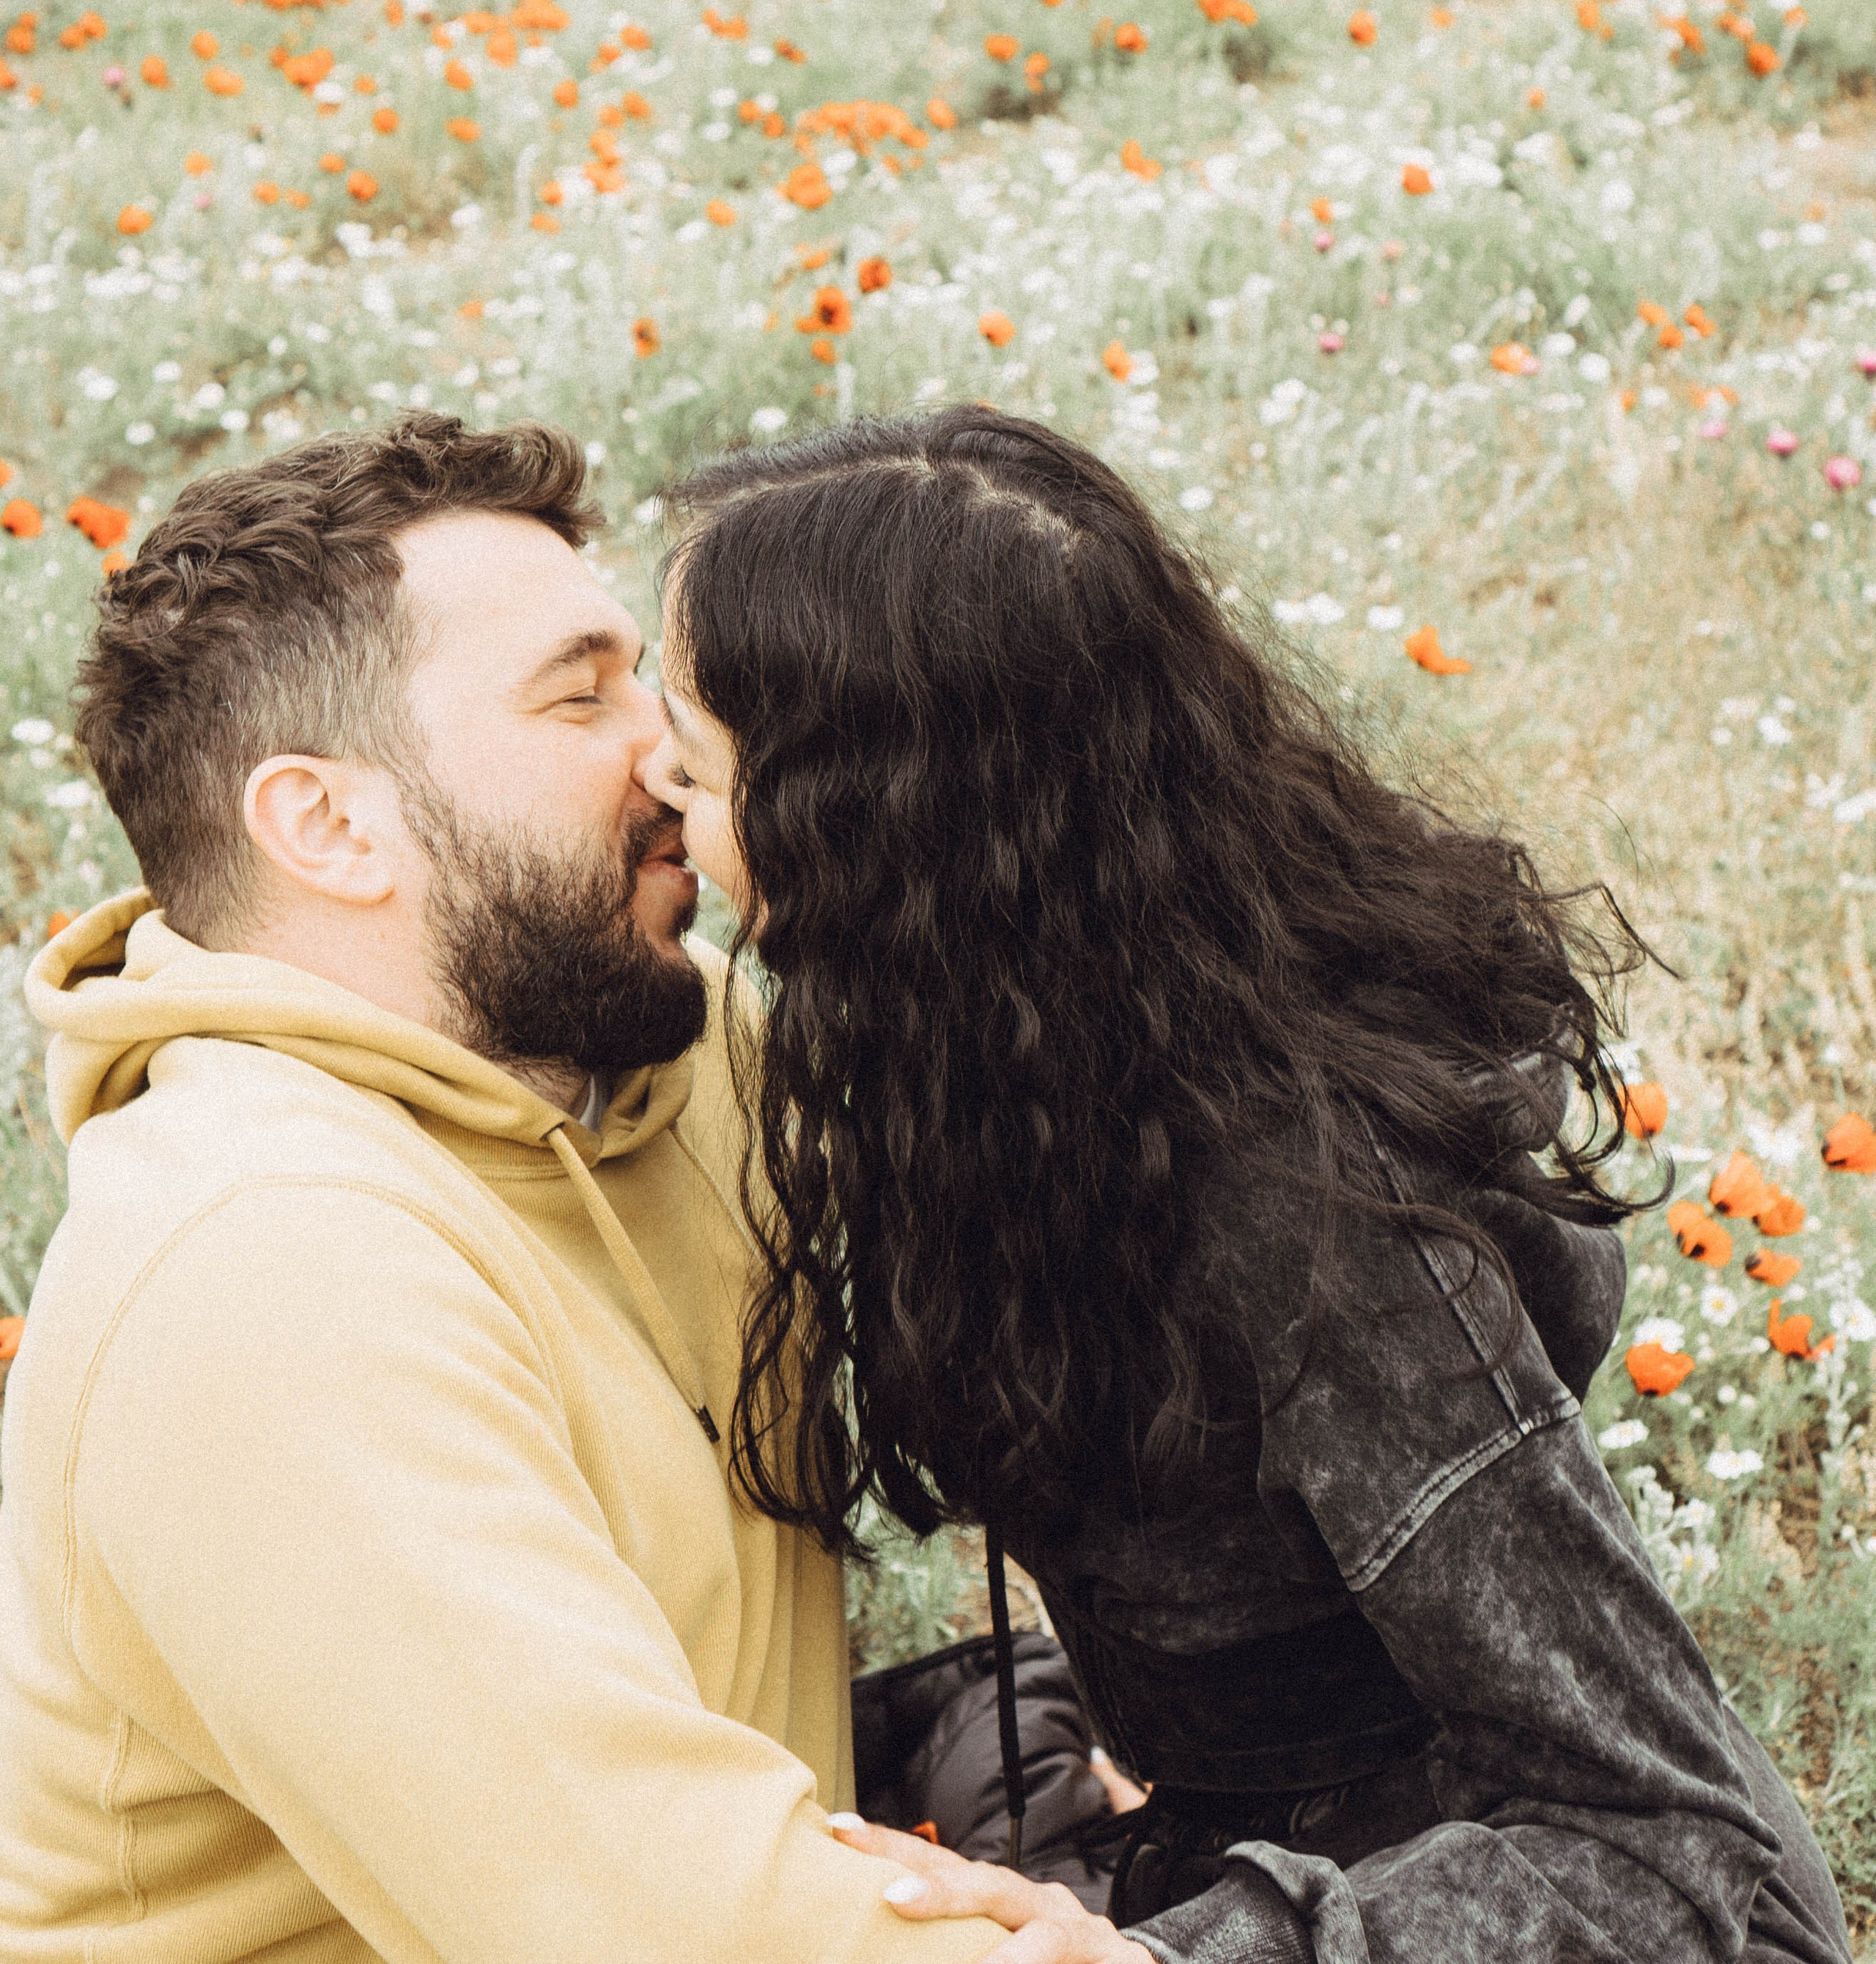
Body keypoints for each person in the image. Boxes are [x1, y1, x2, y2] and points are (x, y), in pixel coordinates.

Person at [644, 404, 1854, 1964]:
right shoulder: (979, 1044)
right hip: (1217, 1821)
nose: (651, 797)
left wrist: (1176, 1953)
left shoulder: (1309, 1218)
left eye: (691, 768)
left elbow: (1669, 1847)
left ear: (872, 832)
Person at [0, 413, 1149, 1964]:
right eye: (581, 693)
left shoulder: (659, 1053)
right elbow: (651, 1929)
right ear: (329, 824)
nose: (670, 750)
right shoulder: (259, 1277)